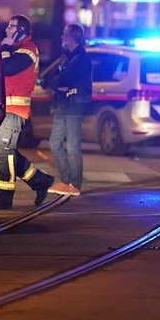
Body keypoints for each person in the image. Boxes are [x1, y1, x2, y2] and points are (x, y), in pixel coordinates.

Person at [0, 15, 55, 209]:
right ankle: (40, 181)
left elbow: (7, 68)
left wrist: (5, 47)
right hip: (6, 109)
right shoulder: (17, 50)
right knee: (6, 152)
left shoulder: (28, 50)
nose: (7, 30)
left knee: (3, 152)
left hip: (14, 110)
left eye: (11, 27)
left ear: (21, 31)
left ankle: (4, 198)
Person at [44, 24, 92, 196]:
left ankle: (75, 183)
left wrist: (58, 84)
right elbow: (53, 79)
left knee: (72, 146)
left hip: (74, 105)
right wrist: (58, 86)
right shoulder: (66, 57)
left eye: (64, 34)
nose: (61, 38)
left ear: (73, 37)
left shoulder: (81, 59)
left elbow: (66, 79)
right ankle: (65, 180)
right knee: (54, 144)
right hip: (62, 105)